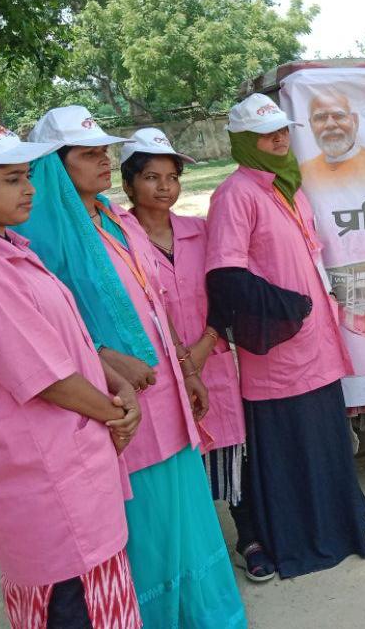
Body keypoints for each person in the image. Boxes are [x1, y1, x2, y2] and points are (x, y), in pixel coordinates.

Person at [17, 106, 247, 627]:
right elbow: (49, 329)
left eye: (104, 150)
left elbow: (153, 300)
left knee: (186, 510)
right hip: (117, 402)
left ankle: (205, 612)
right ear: (55, 164)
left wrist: (187, 371)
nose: (104, 159)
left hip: (165, 389)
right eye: (88, 153)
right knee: (148, 519)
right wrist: (104, 354)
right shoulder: (42, 234)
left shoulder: (115, 220)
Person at [205, 93, 365, 579]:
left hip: (318, 341)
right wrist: (284, 305)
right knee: (293, 448)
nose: (279, 139)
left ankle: (337, 526)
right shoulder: (235, 194)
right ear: (243, 141)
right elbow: (225, 274)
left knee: (324, 440)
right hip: (280, 352)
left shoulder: (289, 186)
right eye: (266, 134)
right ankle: (299, 539)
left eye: (282, 130)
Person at [0, 122, 142, 629]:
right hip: (47, 479)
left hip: (74, 465)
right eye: (12, 179)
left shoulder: (12, 248)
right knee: (75, 606)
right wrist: (117, 413)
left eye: (27, 176)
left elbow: (67, 343)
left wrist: (117, 385)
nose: (29, 189)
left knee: (102, 598)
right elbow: (45, 377)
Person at [119, 129, 259, 579]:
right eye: (151, 177)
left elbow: (225, 292)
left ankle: (249, 537)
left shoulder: (201, 231)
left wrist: (207, 341)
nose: (165, 187)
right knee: (181, 462)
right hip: (157, 371)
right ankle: (202, 552)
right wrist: (183, 360)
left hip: (211, 359)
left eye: (172, 177)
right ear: (128, 184)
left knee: (232, 450)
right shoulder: (118, 242)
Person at [299, 88, 365, 188]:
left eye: (338, 115)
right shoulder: (303, 172)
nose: (330, 125)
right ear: (311, 124)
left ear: (355, 120)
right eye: (321, 117)